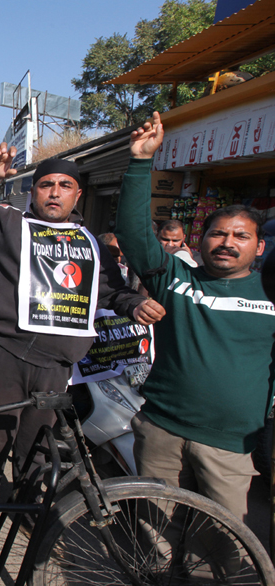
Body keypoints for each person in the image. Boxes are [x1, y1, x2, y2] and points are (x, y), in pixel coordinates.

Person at [0, 150, 164, 512]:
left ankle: (29, 511)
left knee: (37, 450)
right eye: (46, 184)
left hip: (57, 367)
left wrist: (135, 306)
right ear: (33, 192)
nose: (54, 192)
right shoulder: (9, 224)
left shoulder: (91, 244)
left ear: (77, 195)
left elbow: (112, 291)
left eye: (65, 186)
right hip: (4, 357)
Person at [115, 111, 275, 523]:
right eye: (218, 233)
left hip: (229, 446)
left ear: (259, 249)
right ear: (200, 239)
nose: (227, 242)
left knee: (222, 546)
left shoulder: (269, 293)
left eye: (241, 236)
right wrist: (139, 162)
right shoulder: (175, 276)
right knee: (152, 534)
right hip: (160, 430)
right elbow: (134, 234)